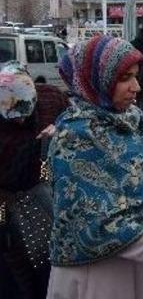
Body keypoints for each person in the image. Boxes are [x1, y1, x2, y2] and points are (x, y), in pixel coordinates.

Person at [47, 36, 143, 299]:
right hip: (100, 276)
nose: (136, 87)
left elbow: (135, 171)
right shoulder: (74, 136)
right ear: (95, 80)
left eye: (136, 76)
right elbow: (88, 221)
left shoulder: (132, 119)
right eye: (124, 78)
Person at [0, 63, 68, 299]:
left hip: (42, 183)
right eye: (13, 118)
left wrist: (59, 131)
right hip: (4, 195)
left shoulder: (51, 98)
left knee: (47, 253)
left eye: (24, 115)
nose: (19, 122)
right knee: (6, 248)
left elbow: (74, 120)